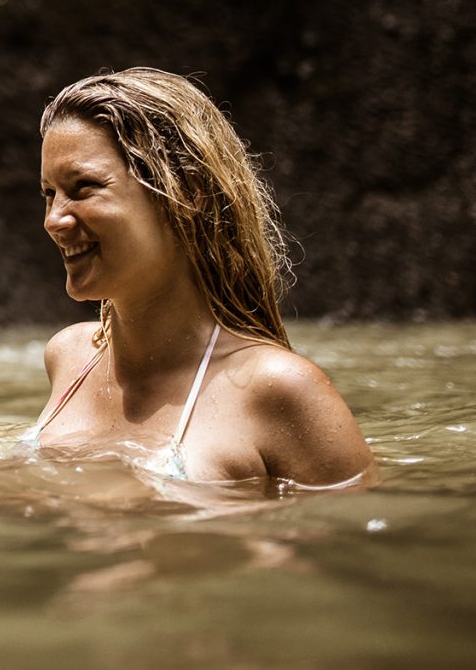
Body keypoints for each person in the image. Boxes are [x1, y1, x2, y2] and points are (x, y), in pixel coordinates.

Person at [30, 68, 375, 488]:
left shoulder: (277, 389)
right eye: (49, 194)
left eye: (82, 187)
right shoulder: (69, 358)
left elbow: (357, 540)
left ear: (184, 193)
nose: (54, 220)